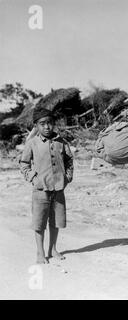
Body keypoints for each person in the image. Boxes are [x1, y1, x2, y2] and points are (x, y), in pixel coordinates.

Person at [20, 108, 74, 264]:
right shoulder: (32, 143)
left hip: (58, 188)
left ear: (53, 124)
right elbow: (24, 164)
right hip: (40, 190)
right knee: (39, 222)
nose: (47, 127)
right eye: (42, 124)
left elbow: (69, 161)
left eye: (50, 123)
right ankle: (40, 252)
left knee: (56, 221)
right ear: (36, 125)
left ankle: (53, 248)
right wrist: (32, 178)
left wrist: (68, 177)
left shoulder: (62, 142)